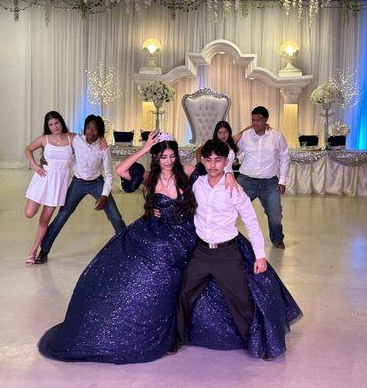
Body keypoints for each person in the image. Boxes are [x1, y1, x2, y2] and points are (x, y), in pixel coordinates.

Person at [38, 132, 238, 364]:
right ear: (156, 157)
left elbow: (214, 171)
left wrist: (229, 175)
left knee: (172, 261)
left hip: (184, 234)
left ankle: (180, 325)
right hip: (155, 231)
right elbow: (121, 170)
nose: (169, 161)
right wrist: (144, 149)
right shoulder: (150, 177)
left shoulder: (186, 172)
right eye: (163, 156)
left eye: (172, 156)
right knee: (135, 267)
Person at [176, 139, 302, 360]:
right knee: (183, 294)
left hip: (227, 254)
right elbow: (170, 170)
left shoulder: (234, 189)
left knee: (242, 301)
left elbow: (252, 222)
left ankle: (259, 344)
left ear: (226, 162)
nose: (213, 164)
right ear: (202, 161)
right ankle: (177, 338)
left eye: (218, 160)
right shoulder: (197, 184)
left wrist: (260, 256)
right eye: (208, 160)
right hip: (201, 253)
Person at [33, 115, 126, 264]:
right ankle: (44, 251)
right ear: (84, 128)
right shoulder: (76, 140)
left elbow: (109, 175)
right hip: (78, 183)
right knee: (62, 216)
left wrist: (104, 196)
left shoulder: (103, 148)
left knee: (115, 216)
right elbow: (59, 147)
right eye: (89, 127)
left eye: (95, 129)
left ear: (100, 131)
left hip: (97, 182)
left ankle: (127, 247)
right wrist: (45, 159)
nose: (91, 131)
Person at [24, 111, 76, 265]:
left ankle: (33, 251)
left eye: (57, 123)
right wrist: (34, 165)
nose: (55, 127)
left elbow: (89, 140)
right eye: (51, 124)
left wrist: (102, 140)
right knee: (29, 213)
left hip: (58, 183)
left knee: (44, 220)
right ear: (48, 126)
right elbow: (28, 149)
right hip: (43, 178)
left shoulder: (71, 137)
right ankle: (35, 249)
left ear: (61, 122)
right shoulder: (44, 139)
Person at [237, 106, 290, 249]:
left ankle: (277, 239)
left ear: (266, 120)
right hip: (246, 181)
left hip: (269, 183)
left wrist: (282, 180)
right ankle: (223, 237)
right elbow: (235, 151)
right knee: (230, 209)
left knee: (275, 214)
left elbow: (285, 158)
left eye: (258, 120)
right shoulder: (245, 135)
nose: (255, 123)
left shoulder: (277, 136)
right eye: (253, 120)